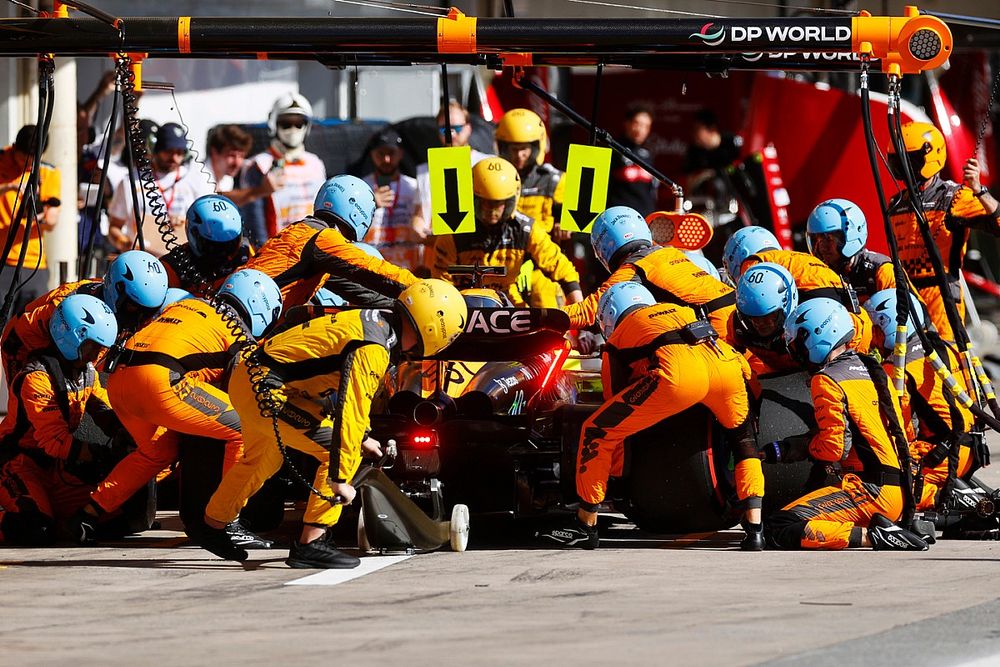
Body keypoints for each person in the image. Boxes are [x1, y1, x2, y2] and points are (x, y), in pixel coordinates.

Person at [190, 279, 468, 568]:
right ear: (436, 330)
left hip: (249, 379)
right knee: (335, 449)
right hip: (268, 392)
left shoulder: (375, 322)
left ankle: (212, 524)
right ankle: (313, 540)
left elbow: (339, 394)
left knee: (262, 459)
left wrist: (365, 436)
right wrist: (339, 480)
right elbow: (352, 409)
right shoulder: (375, 346)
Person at [539, 281, 763, 550]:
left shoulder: (619, 334)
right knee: (743, 442)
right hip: (726, 369)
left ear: (608, 317)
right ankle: (754, 530)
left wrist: (620, 478)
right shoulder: (681, 310)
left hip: (679, 378)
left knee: (597, 430)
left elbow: (614, 406)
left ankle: (586, 525)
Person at [67, 269, 282, 546]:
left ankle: (88, 515)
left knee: (158, 451)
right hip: (160, 381)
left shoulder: (188, 303)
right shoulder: (239, 333)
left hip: (120, 379)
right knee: (244, 428)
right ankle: (226, 521)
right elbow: (242, 390)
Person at [764, 298, 929, 551]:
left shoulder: (827, 379)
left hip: (872, 492)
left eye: (798, 343)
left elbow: (833, 448)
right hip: (902, 491)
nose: (796, 353)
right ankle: (888, 528)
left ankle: (873, 536)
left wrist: (800, 446)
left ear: (818, 336)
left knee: (779, 525)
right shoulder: (873, 370)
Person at [0, 294, 120, 545]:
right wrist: (104, 454)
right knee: (36, 529)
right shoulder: (36, 378)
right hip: (17, 465)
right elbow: (55, 442)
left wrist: (128, 436)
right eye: (93, 346)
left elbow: (106, 410)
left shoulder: (87, 374)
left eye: (101, 348)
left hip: (56, 468)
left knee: (114, 510)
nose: (97, 355)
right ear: (72, 336)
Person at [863, 289, 982, 515]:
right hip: (972, 449)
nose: (873, 339)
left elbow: (900, 429)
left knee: (887, 494)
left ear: (887, 326)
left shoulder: (897, 368)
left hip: (944, 457)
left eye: (875, 330)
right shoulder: (945, 346)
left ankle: (953, 500)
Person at [887, 121, 1000, 341]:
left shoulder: (954, 197)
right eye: (899, 162)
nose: (904, 169)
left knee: (949, 363)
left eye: (910, 161)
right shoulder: (895, 204)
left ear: (930, 158)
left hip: (941, 300)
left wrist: (978, 190)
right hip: (904, 300)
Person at [243, 174, 417, 312]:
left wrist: (402, 306)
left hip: (230, 317)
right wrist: (421, 288)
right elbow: (374, 270)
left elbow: (361, 293)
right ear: (359, 213)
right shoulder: (323, 239)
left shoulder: (304, 234)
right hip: (235, 330)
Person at [564, 206, 736, 343]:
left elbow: (588, 312)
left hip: (716, 331)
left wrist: (541, 316)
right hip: (739, 316)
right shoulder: (672, 253)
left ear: (602, 249)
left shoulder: (634, 268)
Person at [432, 157, 582, 307]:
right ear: (472, 198)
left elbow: (559, 265)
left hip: (508, 301)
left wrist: (578, 305)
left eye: (498, 204)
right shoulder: (452, 235)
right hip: (461, 304)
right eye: (484, 203)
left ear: (511, 200)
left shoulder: (526, 229)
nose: (491, 211)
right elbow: (441, 285)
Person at [0, 250, 169, 381]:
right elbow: (23, 331)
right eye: (134, 307)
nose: (139, 318)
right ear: (117, 291)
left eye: (146, 312)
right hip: (21, 343)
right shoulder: (68, 307)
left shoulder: (112, 304)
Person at [724, 225, 873, 354]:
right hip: (851, 322)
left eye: (768, 317)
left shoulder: (754, 270)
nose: (761, 323)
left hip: (833, 321)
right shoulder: (792, 261)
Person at [495, 107, 569, 308]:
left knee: (551, 326)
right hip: (502, 269)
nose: (519, 155)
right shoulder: (493, 178)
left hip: (543, 269)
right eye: (513, 148)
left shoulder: (555, 180)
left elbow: (578, 225)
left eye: (524, 149)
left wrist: (565, 226)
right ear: (502, 147)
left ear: (536, 146)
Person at [108, 122, 214, 257]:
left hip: (184, 259)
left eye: (179, 152)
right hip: (142, 259)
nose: (174, 157)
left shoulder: (197, 179)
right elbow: (114, 227)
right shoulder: (130, 181)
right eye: (168, 151)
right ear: (155, 148)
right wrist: (125, 244)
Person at [240, 93, 327, 247]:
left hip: (315, 249)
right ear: (274, 125)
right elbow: (254, 220)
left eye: (298, 123)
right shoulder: (258, 165)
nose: (292, 129)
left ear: (307, 126)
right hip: (278, 252)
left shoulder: (316, 163)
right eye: (286, 124)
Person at [0, 124, 62, 314]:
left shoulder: (48, 172)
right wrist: (10, 187)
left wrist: (39, 215)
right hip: (3, 260)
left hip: (34, 262)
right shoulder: (2, 159)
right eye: (24, 159)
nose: (28, 165)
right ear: (15, 148)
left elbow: (52, 220)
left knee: (32, 324)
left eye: (35, 160)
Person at [413, 100, 491, 240]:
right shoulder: (425, 171)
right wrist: (418, 228)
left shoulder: (487, 163)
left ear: (468, 128)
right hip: (437, 250)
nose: (451, 134)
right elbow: (420, 213)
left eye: (457, 128)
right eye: (445, 129)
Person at [160, 194, 252, 292]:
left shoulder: (246, 252)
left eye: (230, 246)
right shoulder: (172, 268)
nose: (224, 256)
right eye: (215, 248)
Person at [729, 262, 800, 388]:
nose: (760, 324)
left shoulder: (808, 322)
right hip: (776, 381)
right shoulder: (737, 325)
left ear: (787, 303)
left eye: (769, 317)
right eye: (753, 318)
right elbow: (732, 360)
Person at [361, 127, 422, 270]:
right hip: (372, 268)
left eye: (391, 153)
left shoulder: (413, 186)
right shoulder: (361, 187)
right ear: (371, 154)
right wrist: (371, 203)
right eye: (380, 154)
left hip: (408, 268)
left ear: (400, 154)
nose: (386, 159)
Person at [206, 124, 280, 208]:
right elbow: (215, 201)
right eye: (232, 155)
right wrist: (261, 190)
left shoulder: (227, 179)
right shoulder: (200, 175)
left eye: (241, 156)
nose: (237, 162)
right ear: (214, 152)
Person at [606, 103, 657, 215]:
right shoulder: (614, 149)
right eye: (637, 123)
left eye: (646, 126)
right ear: (627, 123)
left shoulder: (648, 154)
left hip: (644, 217)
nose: (640, 130)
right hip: (618, 216)